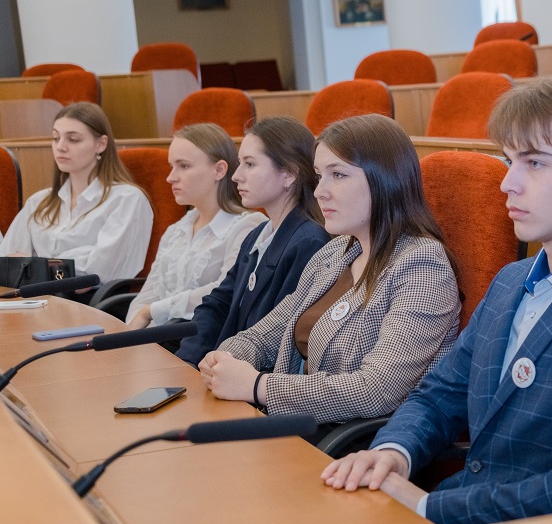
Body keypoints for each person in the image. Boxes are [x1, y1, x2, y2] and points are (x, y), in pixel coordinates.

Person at [321, 76, 552, 524]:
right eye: (509, 161)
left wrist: (429, 508)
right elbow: (440, 394)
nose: (508, 183)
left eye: (535, 163)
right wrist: (394, 453)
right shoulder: (511, 279)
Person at [198, 114, 460, 438]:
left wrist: (257, 385)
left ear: (384, 179)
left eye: (338, 175)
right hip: (297, 431)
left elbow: (376, 389)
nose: (320, 191)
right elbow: (264, 335)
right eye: (320, 176)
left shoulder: (422, 265)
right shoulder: (335, 252)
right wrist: (225, 359)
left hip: (354, 446)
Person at [177, 117, 331, 366]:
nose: (236, 176)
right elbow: (218, 304)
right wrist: (185, 362)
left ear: (289, 174)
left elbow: (276, 336)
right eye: (240, 163)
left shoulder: (309, 243)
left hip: (251, 377)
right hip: (223, 366)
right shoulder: (257, 234)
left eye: (250, 164)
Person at [125, 124, 266, 329]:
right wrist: (131, 332)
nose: (170, 177)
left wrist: (151, 312)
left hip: (201, 339)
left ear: (219, 170)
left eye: (183, 166)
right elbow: (147, 295)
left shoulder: (248, 227)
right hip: (157, 337)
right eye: (171, 166)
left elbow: (224, 291)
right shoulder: (176, 230)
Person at [0, 102, 153, 284]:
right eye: (56, 138)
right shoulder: (39, 201)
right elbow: (7, 263)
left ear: (101, 144)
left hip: (89, 299)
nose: (60, 147)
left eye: (73, 139)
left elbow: (97, 274)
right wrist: (67, 263)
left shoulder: (126, 199)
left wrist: (34, 265)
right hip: (33, 296)